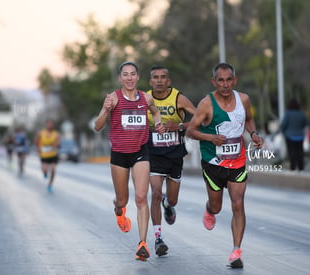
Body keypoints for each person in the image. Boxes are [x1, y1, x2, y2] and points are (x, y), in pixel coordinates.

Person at [186, 63, 263, 268]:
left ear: (234, 80)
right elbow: (190, 131)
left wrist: (253, 134)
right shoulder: (206, 104)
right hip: (213, 163)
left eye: (229, 79)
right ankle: (209, 209)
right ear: (214, 82)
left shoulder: (243, 99)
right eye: (220, 80)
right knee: (217, 206)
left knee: (238, 203)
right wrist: (210, 137)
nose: (225, 84)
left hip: (237, 161)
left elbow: (249, 119)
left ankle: (236, 251)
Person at [94, 61, 165, 261]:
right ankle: (119, 209)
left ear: (138, 77)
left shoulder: (146, 97)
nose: (129, 78)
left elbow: (155, 112)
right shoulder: (113, 98)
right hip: (119, 155)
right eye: (125, 74)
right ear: (120, 78)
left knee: (142, 197)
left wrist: (158, 123)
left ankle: (142, 243)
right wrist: (106, 110)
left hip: (141, 152)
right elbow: (97, 126)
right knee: (123, 199)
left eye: (133, 74)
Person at [146, 65, 196, 256]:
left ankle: (168, 205)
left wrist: (180, 125)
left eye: (163, 77)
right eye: (155, 77)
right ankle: (158, 238)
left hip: (175, 155)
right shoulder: (145, 98)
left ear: (169, 81)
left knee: (171, 198)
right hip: (153, 155)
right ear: (150, 82)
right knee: (156, 193)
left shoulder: (178, 98)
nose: (159, 80)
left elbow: (203, 117)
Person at [280, 98, 308, 172]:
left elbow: (283, 125)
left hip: (290, 136)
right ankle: (301, 167)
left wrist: (284, 133)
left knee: (292, 152)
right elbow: (305, 123)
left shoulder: (288, 114)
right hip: (300, 136)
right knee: (300, 152)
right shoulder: (301, 113)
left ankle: (293, 167)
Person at [35, 120, 60, 193]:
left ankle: (50, 185)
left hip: (53, 155)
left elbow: (58, 143)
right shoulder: (41, 133)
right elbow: (36, 142)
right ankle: (45, 173)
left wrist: (56, 145)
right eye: (48, 124)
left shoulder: (56, 134)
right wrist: (38, 148)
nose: (50, 126)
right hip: (44, 155)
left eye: (51, 125)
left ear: (53, 126)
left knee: (53, 170)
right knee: (45, 169)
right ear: (46, 125)